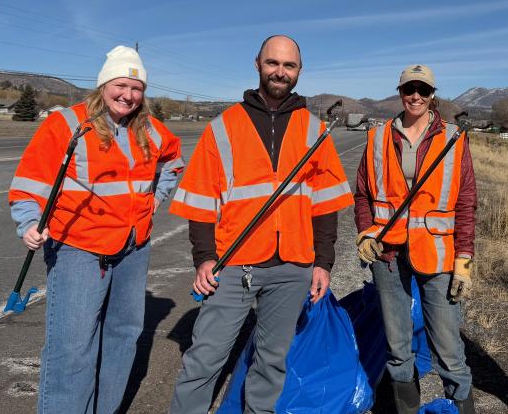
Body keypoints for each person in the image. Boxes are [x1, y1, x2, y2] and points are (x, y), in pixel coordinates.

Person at [169, 35, 353, 414]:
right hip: (233, 263)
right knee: (203, 360)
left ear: (299, 71)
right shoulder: (224, 127)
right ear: (257, 64)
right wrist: (204, 258)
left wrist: (323, 262)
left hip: (293, 266)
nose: (280, 72)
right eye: (273, 63)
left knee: (271, 364)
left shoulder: (315, 131)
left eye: (289, 65)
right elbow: (201, 200)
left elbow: (325, 206)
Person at [9, 45, 184, 414]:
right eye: (121, 85)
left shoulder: (151, 130)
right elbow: (30, 182)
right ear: (103, 85)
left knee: (123, 336)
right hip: (79, 247)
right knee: (71, 347)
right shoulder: (67, 124)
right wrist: (29, 222)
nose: (129, 95)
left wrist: (157, 197)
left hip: (134, 248)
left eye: (137, 89)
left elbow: (173, 162)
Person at [354, 64, 477, 414]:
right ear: (400, 92)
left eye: (423, 90)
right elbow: (362, 193)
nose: (416, 96)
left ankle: (462, 407)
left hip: (437, 254)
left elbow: (466, 202)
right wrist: (365, 231)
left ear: (433, 95)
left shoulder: (453, 138)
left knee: (449, 350)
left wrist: (464, 260)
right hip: (387, 255)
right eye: (410, 89)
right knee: (397, 347)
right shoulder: (378, 137)